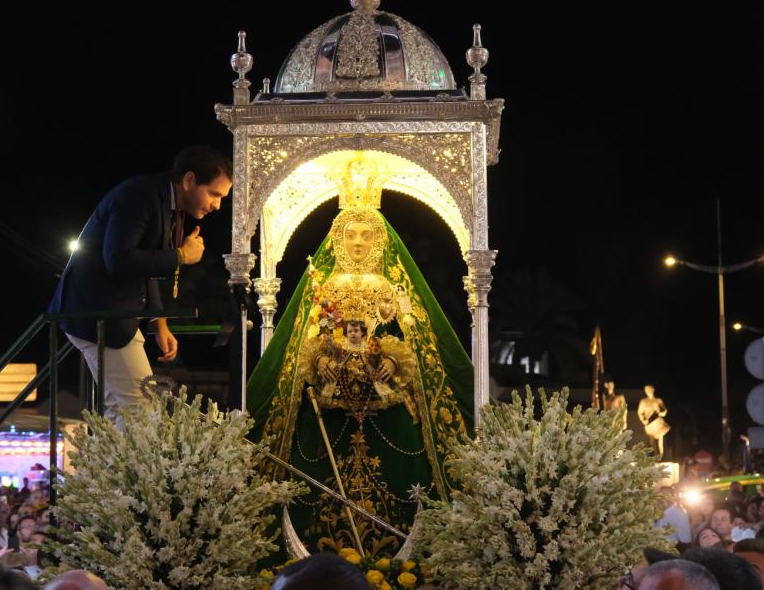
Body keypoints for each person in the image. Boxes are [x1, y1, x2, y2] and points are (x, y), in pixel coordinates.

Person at [249, 203, 474, 557]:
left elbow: (408, 332)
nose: (358, 243)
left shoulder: (388, 286)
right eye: (350, 235)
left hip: (382, 394)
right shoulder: (326, 285)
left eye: (366, 236)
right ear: (338, 240)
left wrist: (388, 358)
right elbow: (309, 335)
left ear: (378, 241)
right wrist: (321, 357)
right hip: (331, 393)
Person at [49, 145, 232, 428]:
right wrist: (181, 256)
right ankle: (135, 473)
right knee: (143, 409)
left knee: (120, 411)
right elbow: (119, 259)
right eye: (214, 194)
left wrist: (159, 322)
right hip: (100, 315)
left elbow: (145, 265)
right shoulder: (139, 196)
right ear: (189, 180)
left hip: (108, 315)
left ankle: (109, 473)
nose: (217, 205)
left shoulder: (164, 200)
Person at [638, 384, 670, 457]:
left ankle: (661, 456)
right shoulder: (643, 401)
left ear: (653, 390)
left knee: (660, 441)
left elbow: (664, 410)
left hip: (658, 423)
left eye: (649, 390)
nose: (648, 391)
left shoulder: (658, 400)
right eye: (646, 390)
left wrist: (661, 413)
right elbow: (640, 412)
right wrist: (643, 420)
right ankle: (654, 456)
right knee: (652, 442)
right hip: (650, 423)